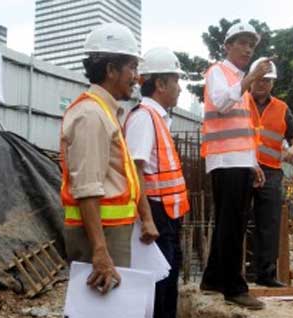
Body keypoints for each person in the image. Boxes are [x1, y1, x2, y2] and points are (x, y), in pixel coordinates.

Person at [60, 23, 158, 295]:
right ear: (111, 69)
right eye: (131, 68)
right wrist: (100, 251)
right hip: (101, 235)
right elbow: (87, 187)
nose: (136, 78)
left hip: (109, 231)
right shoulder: (91, 115)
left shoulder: (104, 111)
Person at [199, 22, 273, 310]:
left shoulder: (238, 79)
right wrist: (250, 78)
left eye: (250, 45)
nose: (246, 49)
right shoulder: (219, 72)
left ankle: (213, 279)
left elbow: (243, 129)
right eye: (241, 42)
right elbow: (220, 103)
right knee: (232, 224)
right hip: (225, 161)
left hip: (238, 161)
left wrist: (252, 162)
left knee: (232, 223)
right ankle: (234, 287)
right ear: (227, 46)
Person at [124, 47, 190, 318]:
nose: (180, 88)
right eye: (176, 81)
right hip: (156, 214)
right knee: (159, 286)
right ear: (160, 83)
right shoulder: (143, 118)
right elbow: (134, 172)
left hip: (167, 214)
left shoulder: (159, 118)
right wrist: (147, 220)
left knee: (168, 280)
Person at [246, 57, 293, 288]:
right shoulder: (239, 102)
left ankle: (266, 274)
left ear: (273, 83)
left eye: (267, 80)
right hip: (243, 167)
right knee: (239, 221)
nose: (262, 83)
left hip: (270, 171)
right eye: (259, 79)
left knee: (269, 223)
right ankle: (240, 272)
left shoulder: (281, 108)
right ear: (251, 79)